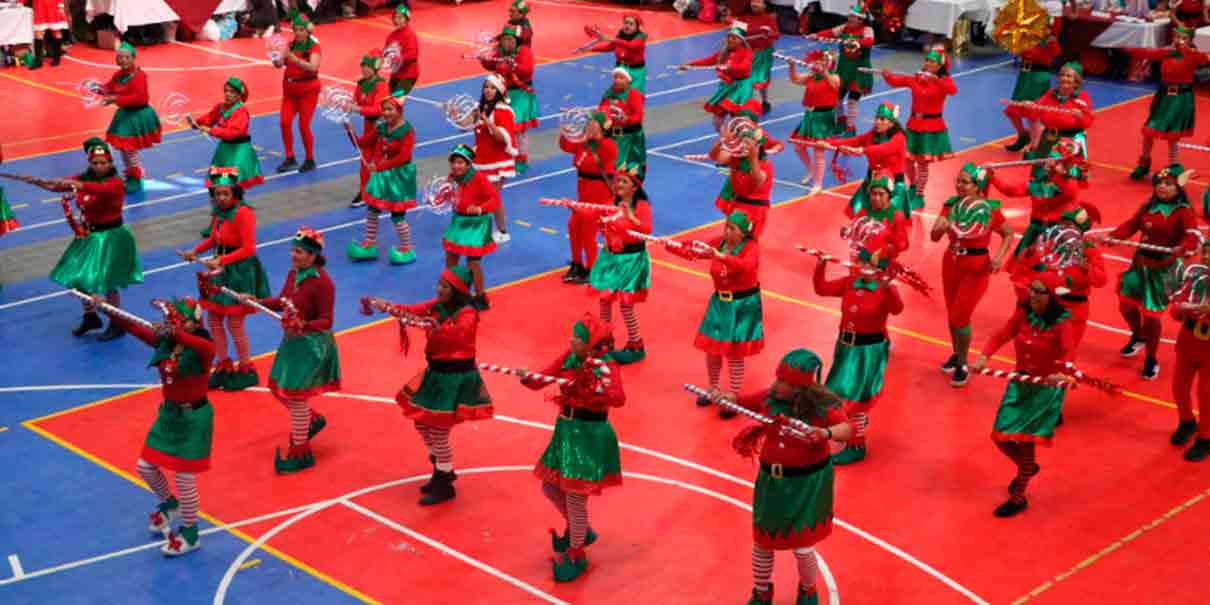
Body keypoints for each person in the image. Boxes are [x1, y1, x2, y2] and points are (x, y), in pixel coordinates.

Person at [97, 296, 214, 555]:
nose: (170, 322)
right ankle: (169, 503)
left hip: (194, 419)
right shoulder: (168, 342)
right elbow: (135, 328)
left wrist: (174, 333)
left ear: (193, 323)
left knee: (185, 477)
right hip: (169, 416)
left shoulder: (203, 347)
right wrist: (107, 310)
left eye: (177, 319)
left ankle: (191, 532)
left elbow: (201, 346)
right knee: (145, 467)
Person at [734, 349, 852, 605]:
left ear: (799, 389)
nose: (775, 384)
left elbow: (846, 429)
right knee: (763, 541)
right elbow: (742, 401)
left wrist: (825, 434)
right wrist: (724, 397)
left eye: (782, 381)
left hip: (807, 485)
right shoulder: (769, 398)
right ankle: (761, 591)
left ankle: (808, 590)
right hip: (772, 483)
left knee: (803, 547)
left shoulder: (823, 407)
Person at [517, 313, 625, 583]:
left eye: (577, 337)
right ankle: (582, 530)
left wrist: (595, 386)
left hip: (589, 435)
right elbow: (546, 375)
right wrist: (528, 378)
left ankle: (577, 553)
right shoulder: (570, 356)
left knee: (576, 498)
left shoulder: (606, 365)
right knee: (550, 487)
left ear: (590, 342)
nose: (571, 340)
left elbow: (618, 398)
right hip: (566, 431)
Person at [373, 266, 492, 505]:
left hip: (455, 378)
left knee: (437, 430)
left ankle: (444, 481)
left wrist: (435, 327)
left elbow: (459, 334)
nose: (439, 289)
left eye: (445, 286)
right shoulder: (437, 306)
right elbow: (411, 311)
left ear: (457, 290)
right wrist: (387, 306)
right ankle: (441, 469)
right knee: (421, 423)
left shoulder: (468, 312)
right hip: (436, 374)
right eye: (439, 284)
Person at [972, 271, 1077, 517]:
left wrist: (1062, 373)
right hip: (1020, 383)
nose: (1033, 296)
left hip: (1044, 390)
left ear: (1051, 297)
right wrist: (983, 357)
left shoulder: (1062, 324)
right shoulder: (1023, 316)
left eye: (1039, 292)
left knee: (1025, 440)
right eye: (1032, 290)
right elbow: (1001, 335)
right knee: (999, 435)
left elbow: (1068, 352)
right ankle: (1027, 467)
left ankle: (1019, 496)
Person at [35, 138, 143, 341]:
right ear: (90, 163)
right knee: (78, 279)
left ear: (111, 163)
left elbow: (97, 189)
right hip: (89, 236)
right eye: (95, 163)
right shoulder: (84, 178)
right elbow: (59, 186)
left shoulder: (115, 183)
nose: (99, 166)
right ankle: (90, 316)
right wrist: (41, 183)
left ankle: (117, 324)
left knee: (110, 283)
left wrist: (75, 183)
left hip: (111, 238)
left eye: (103, 163)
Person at [812, 229, 903, 465]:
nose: (858, 264)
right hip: (845, 346)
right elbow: (821, 289)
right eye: (859, 260)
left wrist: (888, 286)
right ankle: (854, 425)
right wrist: (820, 265)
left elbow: (897, 309)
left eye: (864, 261)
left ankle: (857, 445)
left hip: (868, 350)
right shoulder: (850, 282)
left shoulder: (883, 289)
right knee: (840, 393)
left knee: (858, 399)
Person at [254, 228, 341, 474]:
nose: (293, 255)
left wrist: (304, 325)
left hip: (312, 346)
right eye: (293, 250)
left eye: (299, 251)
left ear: (313, 256)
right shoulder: (294, 275)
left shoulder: (324, 284)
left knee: (295, 396)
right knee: (278, 389)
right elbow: (283, 301)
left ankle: (301, 451)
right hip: (293, 342)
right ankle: (310, 419)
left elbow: (327, 321)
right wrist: (257, 301)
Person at [1104, 164, 1202, 380]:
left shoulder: (1183, 212)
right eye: (1160, 184)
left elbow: (1192, 236)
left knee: (1151, 316)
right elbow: (1131, 225)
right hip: (1139, 266)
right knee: (1126, 306)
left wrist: (1182, 247)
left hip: (1161, 272)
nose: (1162, 188)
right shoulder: (1148, 206)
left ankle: (1151, 358)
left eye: (1168, 184)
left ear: (1178, 188)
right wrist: (1113, 236)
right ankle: (1138, 336)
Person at [180, 168, 271, 391]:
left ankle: (247, 368)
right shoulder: (218, 212)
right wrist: (195, 251)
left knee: (235, 322)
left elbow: (249, 248)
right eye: (217, 193)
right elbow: (213, 238)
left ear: (235, 194)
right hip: (221, 268)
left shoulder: (244, 214)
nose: (221, 198)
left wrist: (223, 260)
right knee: (213, 319)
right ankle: (223, 365)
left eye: (225, 193)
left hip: (240, 272)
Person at [667, 212, 763, 418]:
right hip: (720, 302)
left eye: (732, 229)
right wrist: (672, 245)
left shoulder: (751, 248)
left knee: (735, 352)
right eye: (726, 227)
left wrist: (719, 256)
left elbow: (744, 267)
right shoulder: (720, 243)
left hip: (743, 304)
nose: (727, 232)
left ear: (744, 233)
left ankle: (733, 396)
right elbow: (697, 250)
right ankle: (713, 389)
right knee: (712, 349)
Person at [930, 163, 1014, 387]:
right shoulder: (951, 206)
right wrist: (940, 226)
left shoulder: (988, 209)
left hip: (976, 267)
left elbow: (1008, 234)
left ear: (978, 187)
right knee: (951, 314)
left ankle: (964, 364)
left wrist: (998, 257)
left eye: (965, 182)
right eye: (958, 180)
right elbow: (934, 237)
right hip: (951, 262)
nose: (959, 185)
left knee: (960, 316)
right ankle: (957, 354)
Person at [1123, 25, 1209, 180]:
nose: (1179, 41)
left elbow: (1207, 58)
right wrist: (1126, 48)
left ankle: (1174, 166)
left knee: (1173, 134)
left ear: (1190, 41)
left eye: (1183, 38)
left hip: (1181, 98)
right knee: (1149, 130)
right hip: (1163, 97)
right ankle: (1144, 163)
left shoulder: (1193, 55)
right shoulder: (1168, 53)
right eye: (1176, 37)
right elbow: (1148, 52)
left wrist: (1195, 54)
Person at [589, 165, 652, 364]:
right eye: (617, 181)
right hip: (611, 259)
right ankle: (605, 341)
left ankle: (636, 344)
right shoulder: (611, 203)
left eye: (624, 181)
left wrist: (630, 217)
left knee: (626, 305)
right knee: (605, 301)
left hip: (631, 261)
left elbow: (646, 230)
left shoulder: (641, 206)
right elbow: (602, 223)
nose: (618, 184)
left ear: (634, 187)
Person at [346, 92, 417, 265]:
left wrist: (378, 167)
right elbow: (362, 143)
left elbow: (404, 157)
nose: (386, 113)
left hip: (399, 177)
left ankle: (407, 248)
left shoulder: (407, 131)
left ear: (399, 110)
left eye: (390, 109)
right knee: (372, 210)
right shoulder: (381, 127)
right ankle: (370, 244)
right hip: (381, 175)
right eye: (384, 109)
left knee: (397, 215)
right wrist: (350, 131)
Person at [881, 46, 956, 198]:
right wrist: (887, 76)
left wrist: (937, 80)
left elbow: (952, 90)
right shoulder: (917, 78)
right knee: (907, 160)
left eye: (932, 61)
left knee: (922, 163)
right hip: (914, 124)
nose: (927, 63)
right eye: (927, 60)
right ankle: (914, 186)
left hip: (931, 128)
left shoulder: (944, 81)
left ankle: (920, 195)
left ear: (939, 66)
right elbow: (898, 81)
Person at [829, 102, 917, 217]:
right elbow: (856, 140)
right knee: (861, 217)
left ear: (891, 123)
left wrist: (863, 150)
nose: (877, 122)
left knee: (888, 221)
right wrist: (829, 143)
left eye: (882, 119)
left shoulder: (899, 138)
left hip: (892, 187)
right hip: (871, 183)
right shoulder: (873, 135)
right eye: (876, 118)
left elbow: (883, 149)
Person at [559, 112, 616, 284]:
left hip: (600, 199)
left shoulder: (607, 145)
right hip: (583, 198)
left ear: (601, 127)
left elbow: (603, 160)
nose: (588, 126)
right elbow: (565, 146)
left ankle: (592, 269)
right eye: (588, 123)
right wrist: (565, 131)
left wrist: (592, 139)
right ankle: (577, 264)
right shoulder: (583, 144)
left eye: (593, 124)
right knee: (573, 226)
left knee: (588, 233)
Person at [444, 145, 500, 309]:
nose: (456, 166)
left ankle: (480, 296)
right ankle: (452, 293)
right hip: (458, 221)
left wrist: (480, 208)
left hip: (477, 224)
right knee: (451, 258)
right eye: (454, 162)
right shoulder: (451, 178)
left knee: (473, 263)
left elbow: (495, 200)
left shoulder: (480, 178)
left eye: (461, 162)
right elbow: (448, 196)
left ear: (469, 164)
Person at [101, 42, 162, 193]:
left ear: (133, 59)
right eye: (120, 57)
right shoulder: (118, 75)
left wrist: (115, 99)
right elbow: (108, 87)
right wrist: (96, 88)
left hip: (137, 115)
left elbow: (140, 98)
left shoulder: (139, 76)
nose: (122, 60)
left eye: (126, 57)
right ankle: (131, 174)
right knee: (124, 148)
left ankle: (136, 177)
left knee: (129, 148)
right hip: (126, 114)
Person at [1170, 238, 1210, 461]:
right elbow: (1178, 301)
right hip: (1188, 338)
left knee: (1206, 395)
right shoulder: (1195, 276)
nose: (1206, 258)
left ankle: (1205, 437)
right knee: (1178, 386)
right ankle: (1187, 421)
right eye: (1204, 253)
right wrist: (1179, 310)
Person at [708, 119, 780, 238]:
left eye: (748, 143)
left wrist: (753, 159)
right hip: (737, 204)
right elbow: (716, 157)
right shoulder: (737, 158)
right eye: (742, 142)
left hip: (755, 209)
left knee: (746, 242)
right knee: (728, 239)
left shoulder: (765, 165)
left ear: (758, 147)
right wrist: (723, 141)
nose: (744, 146)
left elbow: (757, 180)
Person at [481, 26, 537, 175]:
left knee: (518, 129)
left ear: (516, 40)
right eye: (504, 39)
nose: (506, 42)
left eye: (509, 39)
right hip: (503, 94)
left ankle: (521, 159)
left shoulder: (524, 51)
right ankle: (509, 155)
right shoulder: (499, 51)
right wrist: (484, 61)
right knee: (503, 126)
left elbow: (528, 70)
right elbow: (492, 65)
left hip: (521, 94)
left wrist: (514, 65)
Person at [191, 78, 265, 189]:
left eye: (232, 92)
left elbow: (232, 133)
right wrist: (195, 123)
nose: (227, 94)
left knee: (232, 186)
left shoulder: (241, 111)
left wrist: (210, 130)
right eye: (226, 91)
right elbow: (209, 118)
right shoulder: (220, 107)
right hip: (224, 151)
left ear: (239, 95)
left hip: (238, 152)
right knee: (221, 184)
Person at [682, 25, 758, 132]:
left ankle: (743, 139)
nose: (730, 40)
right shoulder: (723, 53)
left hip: (741, 87)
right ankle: (725, 139)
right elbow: (707, 61)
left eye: (734, 38)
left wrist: (728, 67)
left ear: (741, 40)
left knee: (738, 117)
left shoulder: (747, 53)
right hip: (726, 86)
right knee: (717, 118)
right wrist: (690, 65)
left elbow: (744, 68)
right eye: (729, 37)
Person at [813, 5, 874, 135]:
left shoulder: (867, 29)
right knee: (837, 97)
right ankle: (841, 121)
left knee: (853, 100)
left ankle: (851, 127)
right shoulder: (843, 27)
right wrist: (816, 35)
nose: (849, 18)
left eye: (853, 17)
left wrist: (859, 43)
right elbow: (830, 33)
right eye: (849, 15)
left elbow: (869, 41)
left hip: (859, 71)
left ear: (860, 19)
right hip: (844, 69)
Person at [472, 74, 518, 244]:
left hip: (497, 161)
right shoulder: (482, 108)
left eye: (492, 87)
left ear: (499, 90)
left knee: (492, 197)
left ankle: (502, 231)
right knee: (484, 197)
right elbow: (472, 129)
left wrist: (488, 123)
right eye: (486, 87)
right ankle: (486, 230)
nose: (488, 90)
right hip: (482, 159)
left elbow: (502, 138)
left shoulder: (502, 110)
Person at [787, 49, 840, 194]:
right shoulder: (811, 76)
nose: (817, 63)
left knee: (818, 151)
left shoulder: (834, 77)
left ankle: (818, 184)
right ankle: (810, 169)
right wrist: (791, 66)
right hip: (809, 116)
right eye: (817, 60)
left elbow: (834, 85)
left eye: (822, 60)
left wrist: (824, 72)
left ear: (828, 63)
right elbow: (795, 79)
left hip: (823, 117)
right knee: (798, 147)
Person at [275, 11, 321, 174]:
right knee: (284, 122)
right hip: (289, 91)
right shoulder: (290, 45)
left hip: (308, 91)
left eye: (302, 30)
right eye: (296, 30)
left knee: (303, 125)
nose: (298, 33)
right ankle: (290, 157)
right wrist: (277, 60)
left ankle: (310, 159)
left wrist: (294, 59)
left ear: (307, 31)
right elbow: (280, 64)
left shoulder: (313, 46)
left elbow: (313, 67)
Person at [1003, 24, 1061, 152]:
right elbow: (1016, 50)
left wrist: (1049, 38)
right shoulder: (1027, 36)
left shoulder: (1048, 40)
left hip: (1038, 78)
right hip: (1024, 76)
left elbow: (1056, 52)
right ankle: (1023, 135)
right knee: (1012, 110)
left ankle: (1035, 145)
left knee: (1032, 113)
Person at [351, 50, 390, 208]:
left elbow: (378, 109)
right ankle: (365, 191)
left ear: (375, 68)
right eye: (363, 66)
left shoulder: (381, 84)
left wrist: (356, 109)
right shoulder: (361, 84)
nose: (364, 69)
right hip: (368, 126)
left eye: (367, 66)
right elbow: (353, 102)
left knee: (381, 161)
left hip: (382, 127)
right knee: (365, 161)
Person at [598, 67, 646, 178]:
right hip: (612, 135)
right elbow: (602, 109)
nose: (617, 80)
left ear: (628, 81)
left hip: (629, 137)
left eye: (621, 78)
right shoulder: (609, 93)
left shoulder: (633, 94)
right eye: (615, 77)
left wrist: (627, 120)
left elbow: (638, 116)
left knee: (626, 167)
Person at [587, 13, 648, 94]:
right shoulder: (621, 35)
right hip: (620, 70)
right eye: (626, 23)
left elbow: (631, 46)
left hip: (636, 72)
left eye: (631, 24)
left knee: (633, 96)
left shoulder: (640, 38)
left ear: (637, 27)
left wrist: (611, 39)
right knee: (615, 96)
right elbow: (610, 47)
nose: (627, 26)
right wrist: (591, 49)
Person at [744, 0, 780, 116]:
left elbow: (776, 35)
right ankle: (747, 103)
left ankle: (764, 101)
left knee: (761, 79)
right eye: (753, 2)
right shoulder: (744, 18)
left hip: (764, 54)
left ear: (764, 5)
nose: (754, 4)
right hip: (748, 53)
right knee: (745, 79)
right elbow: (736, 31)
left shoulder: (769, 19)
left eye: (758, 2)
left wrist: (768, 33)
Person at [383, 5, 419, 94]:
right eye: (395, 18)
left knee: (396, 100)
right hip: (396, 74)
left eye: (400, 18)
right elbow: (385, 53)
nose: (396, 20)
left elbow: (412, 54)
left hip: (409, 75)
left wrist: (398, 58)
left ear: (407, 20)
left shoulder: (410, 35)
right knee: (390, 101)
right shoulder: (391, 36)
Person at [29, 0, 68, 68]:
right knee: (38, 33)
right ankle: (38, 61)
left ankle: (56, 58)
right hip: (39, 6)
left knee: (56, 32)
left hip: (53, 6)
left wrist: (61, 6)